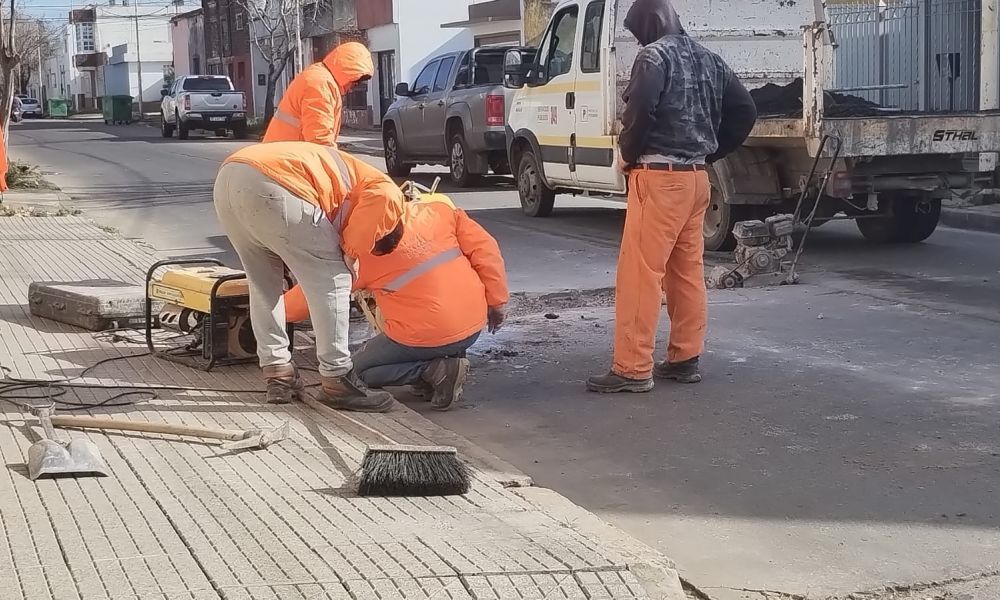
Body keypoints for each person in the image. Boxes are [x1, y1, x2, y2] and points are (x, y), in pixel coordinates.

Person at [587, 0, 757, 393]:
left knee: (641, 274)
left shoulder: (654, 57)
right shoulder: (709, 59)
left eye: (638, 33)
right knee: (686, 273)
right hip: (697, 179)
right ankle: (684, 358)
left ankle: (632, 368)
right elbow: (745, 110)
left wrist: (627, 155)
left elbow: (641, 109)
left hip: (659, 180)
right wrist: (709, 153)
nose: (638, 41)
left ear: (649, 25)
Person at [213, 141, 405, 412]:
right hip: (275, 182)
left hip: (230, 178)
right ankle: (337, 378)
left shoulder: (348, 182)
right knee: (334, 279)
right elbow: (381, 201)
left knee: (263, 286)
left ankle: (278, 372)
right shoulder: (389, 194)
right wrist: (352, 253)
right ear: (385, 227)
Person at [282, 194, 509, 410]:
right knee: (433, 330)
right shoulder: (439, 212)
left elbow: (316, 293)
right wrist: (497, 302)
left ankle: (433, 371)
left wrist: (273, 311)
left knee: (351, 376)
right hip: (473, 326)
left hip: (426, 336)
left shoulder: (362, 255)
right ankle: (444, 365)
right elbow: (486, 251)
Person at [263, 42, 374, 145]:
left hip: (285, 152)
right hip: (287, 156)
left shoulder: (320, 78)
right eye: (355, 82)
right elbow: (319, 139)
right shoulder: (321, 85)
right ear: (348, 73)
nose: (352, 89)